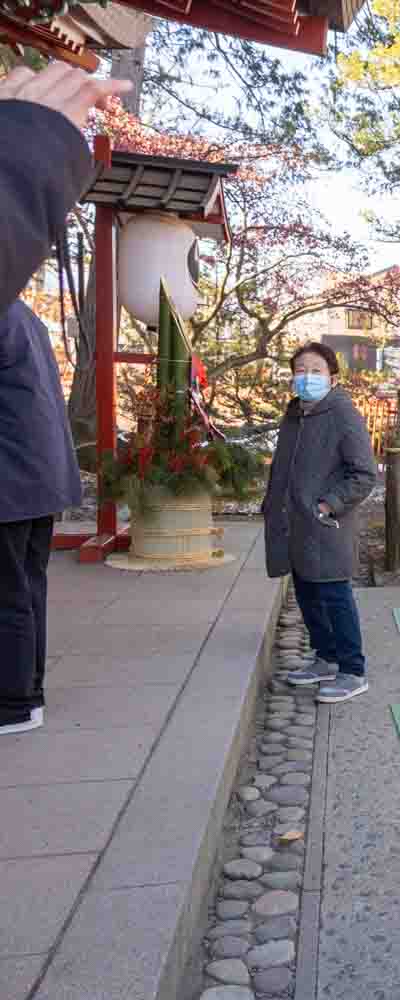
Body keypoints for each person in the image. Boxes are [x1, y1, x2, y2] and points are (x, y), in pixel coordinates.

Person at [1, 64, 133, 736]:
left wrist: (23, 152)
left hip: (13, 483)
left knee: (10, 599)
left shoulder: (11, 317)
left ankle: (16, 701)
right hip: (36, 481)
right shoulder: (23, 318)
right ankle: (28, 690)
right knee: (25, 593)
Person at [264, 343, 378, 704]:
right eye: (300, 370)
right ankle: (325, 658)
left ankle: (352, 670)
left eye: (315, 370)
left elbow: (364, 474)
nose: (307, 377)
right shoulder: (296, 413)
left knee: (334, 595)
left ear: (332, 376)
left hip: (326, 523)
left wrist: (329, 504)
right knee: (307, 593)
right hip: (296, 523)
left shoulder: (342, 413)